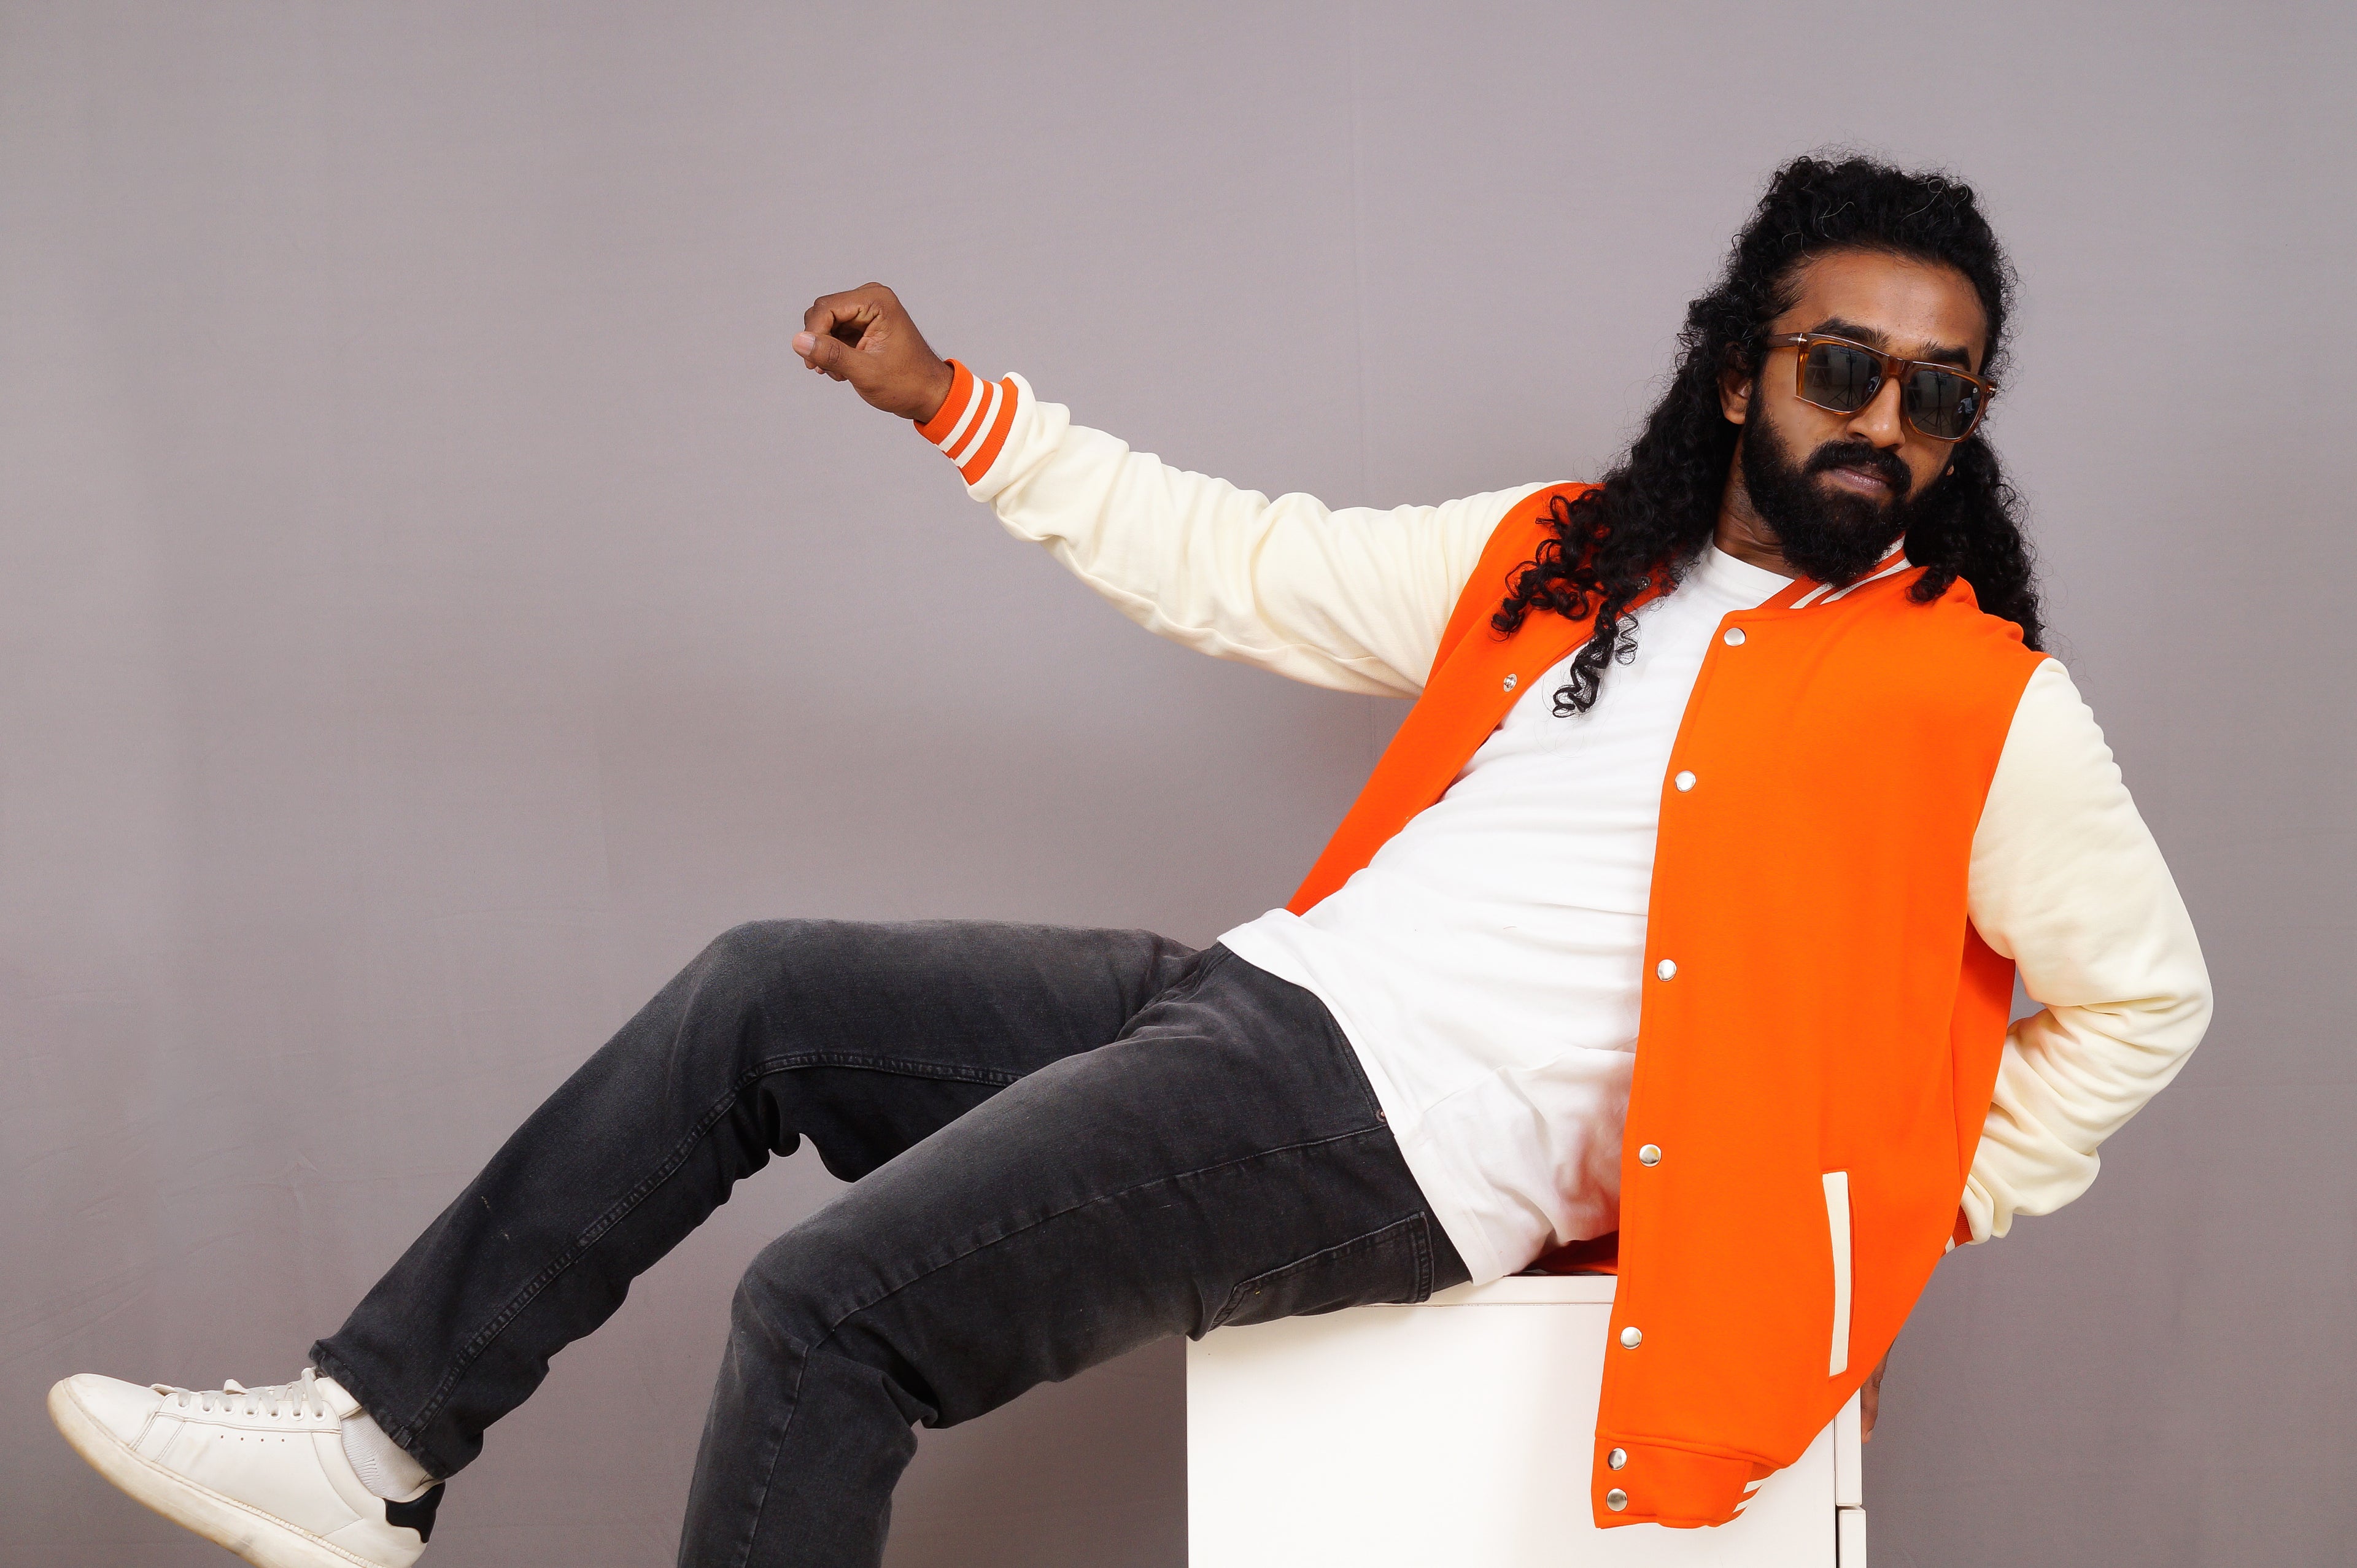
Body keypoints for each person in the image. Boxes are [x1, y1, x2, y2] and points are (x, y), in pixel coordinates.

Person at [49, 155, 2210, 1568]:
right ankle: (368, 1444)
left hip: (1389, 1132)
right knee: (759, 995)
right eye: (1848, 366)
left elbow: (2145, 1002)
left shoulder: (1977, 698)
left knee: (828, 1313)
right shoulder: (1571, 557)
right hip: (1255, 1002)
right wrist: (961, 409)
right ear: (1747, 364)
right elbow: (1247, 567)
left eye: (1939, 396)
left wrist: (1876, 1202)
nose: (1885, 424)